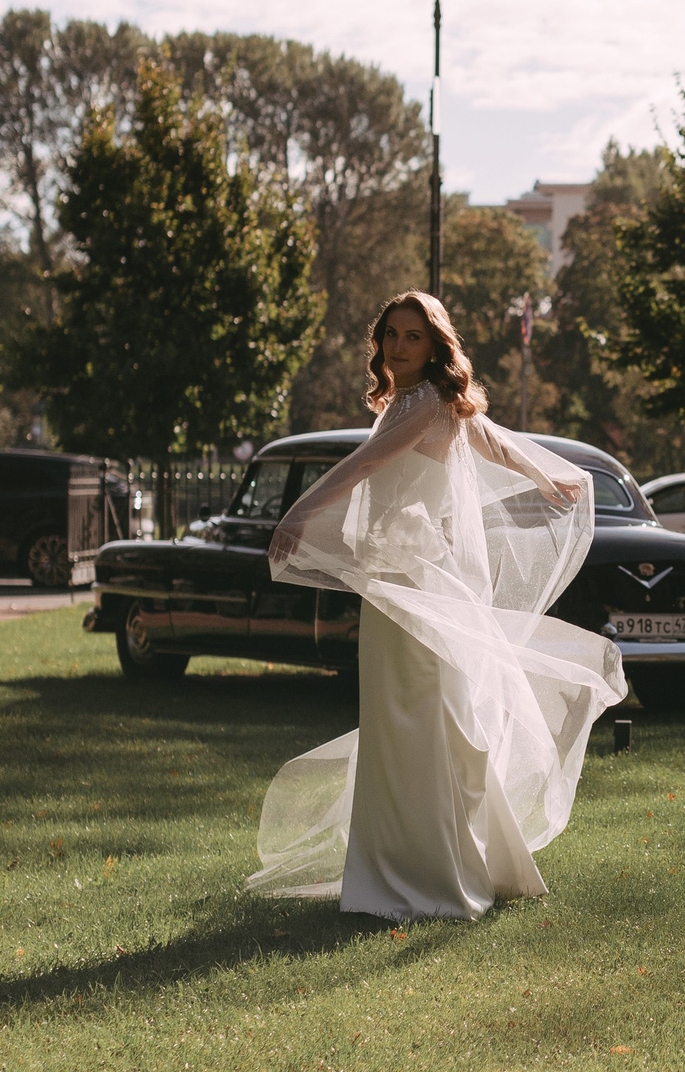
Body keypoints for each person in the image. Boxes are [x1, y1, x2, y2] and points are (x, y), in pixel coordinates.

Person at [243, 291, 626, 918]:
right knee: (416, 718)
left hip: (414, 581)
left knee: (422, 717)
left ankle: (428, 868)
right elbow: (496, 443)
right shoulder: (428, 401)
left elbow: (368, 463)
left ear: (435, 343)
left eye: (412, 337)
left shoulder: (424, 404)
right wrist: (542, 474)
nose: (398, 346)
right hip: (403, 577)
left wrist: (301, 511)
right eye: (391, 334)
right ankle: (429, 857)